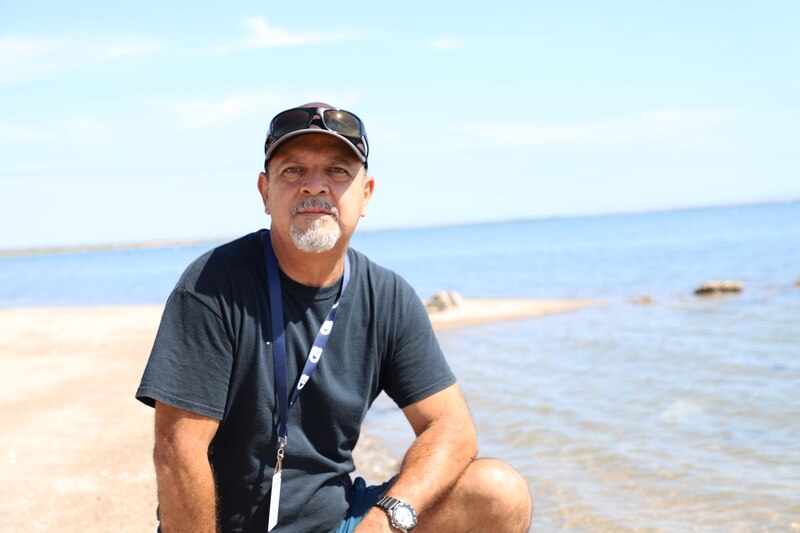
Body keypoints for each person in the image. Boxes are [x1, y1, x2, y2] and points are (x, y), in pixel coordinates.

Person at [136, 102, 532, 532]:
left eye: (338, 171)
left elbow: (451, 427)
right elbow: (178, 451)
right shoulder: (212, 284)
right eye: (293, 171)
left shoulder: (388, 296)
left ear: (366, 195)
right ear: (265, 192)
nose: (314, 187)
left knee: (499, 492)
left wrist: (386, 518)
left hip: (342, 523)